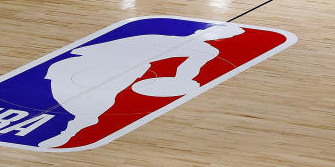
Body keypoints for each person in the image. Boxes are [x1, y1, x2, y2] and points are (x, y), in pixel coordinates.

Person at [38, 24, 244, 148]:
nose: (216, 33)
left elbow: (187, 70)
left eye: (224, 34)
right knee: (63, 95)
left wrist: (182, 82)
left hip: (123, 70)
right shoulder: (154, 37)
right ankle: (61, 122)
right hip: (87, 63)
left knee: (91, 110)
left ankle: (67, 134)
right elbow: (85, 50)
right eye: (218, 29)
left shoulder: (204, 50)